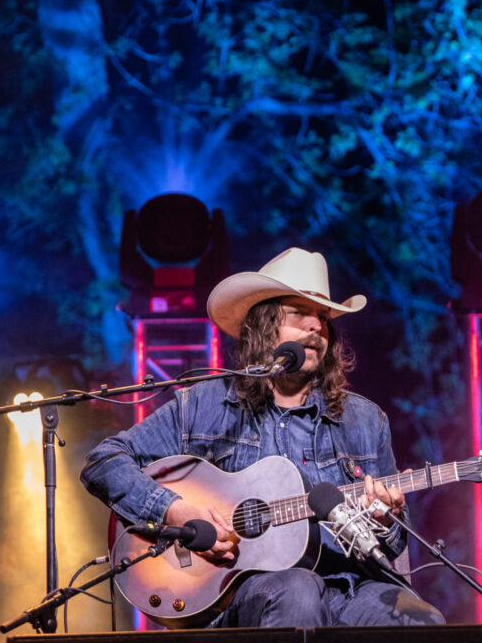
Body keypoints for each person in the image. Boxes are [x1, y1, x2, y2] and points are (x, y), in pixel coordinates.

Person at [80, 247, 445, 628]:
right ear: (263, 325)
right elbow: (104, 462)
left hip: (351, 588)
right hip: (243, 594)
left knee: (422, 620)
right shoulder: (206, 403)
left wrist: (387, 522)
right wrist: (172, 509)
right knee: (298, 590)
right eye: (299, 314)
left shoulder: (366, 421)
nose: (316, 327)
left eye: (322, 317)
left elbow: (394, 547)